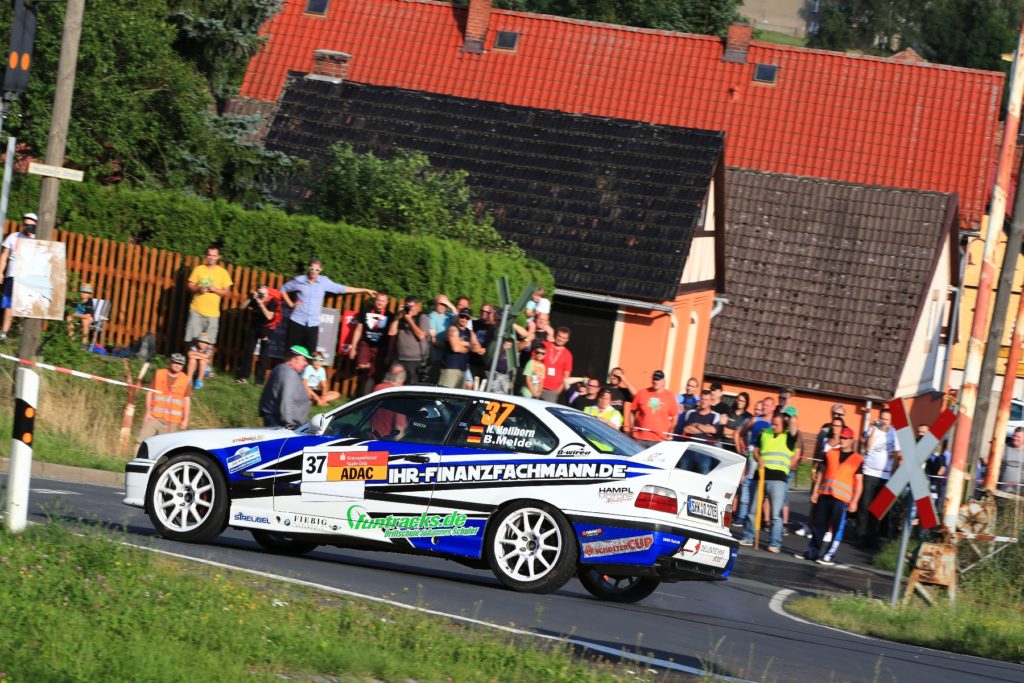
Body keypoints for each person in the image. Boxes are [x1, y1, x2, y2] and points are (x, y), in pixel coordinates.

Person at [796, 426, 863, 566]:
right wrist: (816, 491)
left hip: (842, 499)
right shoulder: (831, 453)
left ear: (851, 440)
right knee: (819, 525)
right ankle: (812, 552)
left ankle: (829, 555)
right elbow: (821, 472)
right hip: (826, 494)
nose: (843, 440)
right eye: (842, 437)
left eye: (846, 438)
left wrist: (854, 502)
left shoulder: (858, 459)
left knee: (837, 529)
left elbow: (859, 482)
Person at [281, 258, 375, 353]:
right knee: (291, 353)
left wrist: (364, 290)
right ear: (309, 268)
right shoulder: (300, 280)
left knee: (310, 355)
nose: (314, 272)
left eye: (317, 270)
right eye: (312, 269)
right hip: (297, 321)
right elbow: (283, 289)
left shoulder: (324, 282)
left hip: (313, 323)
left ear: (320, 270)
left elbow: (342, 289)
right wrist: (291, 304)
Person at [739, 412, 800, 553]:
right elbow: (755, 450)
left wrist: (790, 417)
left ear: (783, 425)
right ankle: (748, 537)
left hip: (778, 479)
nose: (773, 425)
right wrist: (758, 458)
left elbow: (794, 427)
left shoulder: (789, 437)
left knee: (775, 515)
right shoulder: (765, 433)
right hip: (759, 475)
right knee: (752, 510)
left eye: (776, 424)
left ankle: (774, 543)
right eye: (772, 423)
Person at [858, 407, 901, 548]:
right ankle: (861, 535)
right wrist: (875, 430)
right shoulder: (873, 430)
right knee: (865, 505)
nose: (883, 421)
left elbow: (898, 453)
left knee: (878, 508)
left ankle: (872, 536)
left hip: (885, 474)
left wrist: (895, 458)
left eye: (886, 419)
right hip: (870, 472)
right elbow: (867, 447)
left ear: (890, 422)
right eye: (881, 418)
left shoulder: (894, 434)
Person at [185, 247, 233, 363]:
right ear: (206, 256)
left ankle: (205, 367)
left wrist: (215, 289)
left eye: (214, 255)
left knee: (209, 342)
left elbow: (227, 292)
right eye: (209, 255)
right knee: (192, 340)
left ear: (218, 257)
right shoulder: (199, 269)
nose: (211, 257)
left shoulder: (223, 273)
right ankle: (190, 365)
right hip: (196, 310)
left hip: (212, 313)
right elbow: (190, 285)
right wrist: (198, 288)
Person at [136, 353, 191, 445]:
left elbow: (187, 401)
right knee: (141, 441)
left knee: (164, 447)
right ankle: (137, 458)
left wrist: (185, 419)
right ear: (170, 362)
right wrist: (148, 412)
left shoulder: (185, 380)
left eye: (180, 364)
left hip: (172, 421)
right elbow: (150, 392)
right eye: (175, 362)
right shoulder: (159, 373)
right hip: (154, 416)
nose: (177, 365)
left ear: (183, 366)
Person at [0, 212, 37, 340]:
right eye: (26, 224)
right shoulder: (13, 237)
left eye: (31, 225)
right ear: (22, 224)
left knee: (24, 305)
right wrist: (0, 272)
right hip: (12, 276)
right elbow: (4, 255)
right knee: (8, 306)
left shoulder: (37, 240)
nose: (28, 227)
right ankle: (4, 333)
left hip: (27, 278)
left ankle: (22, 332)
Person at [259, 345, 314, 428]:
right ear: (295, 359)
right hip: (281, 422)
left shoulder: (279, 368)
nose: (306, 363)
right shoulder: (289, 374)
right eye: (304, 360)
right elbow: (287, 399)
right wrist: (290, 424)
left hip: (272, 417)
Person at [349, 291, 392, 395]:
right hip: (366, 344)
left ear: (386, 302)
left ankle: (365, 395)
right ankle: (371, 366)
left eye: (383, 301)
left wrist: (389, 354)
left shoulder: (389, 315)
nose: (380, 303)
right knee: (361, 365)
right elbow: (359, 329)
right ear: (375, 300)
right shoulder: (366, 310)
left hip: (380, 347)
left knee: (374, 374)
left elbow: (392, 336)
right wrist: (353, 347)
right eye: (378, 300)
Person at [235, 283, 279, 385]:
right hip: (254, 327)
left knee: (264, 354)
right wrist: (250, 298)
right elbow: (241, 307)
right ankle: (244, 376)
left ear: (267, 294)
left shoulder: (271, 301)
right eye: (260, 293)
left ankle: (259, 380)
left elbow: (269, 316)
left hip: (267, 328)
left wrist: (261, 304)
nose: (261, 296)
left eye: (263, 294)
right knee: (248, 351)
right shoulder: (254, 299)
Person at [388, 295, 430, 386]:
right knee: (392, 385)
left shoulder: (422, 317)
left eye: (411, 306)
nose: (409, 309)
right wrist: (397, 317)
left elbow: (421, 336)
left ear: (417, 306)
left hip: (414, 361)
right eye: (407, 306)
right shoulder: (400, 318)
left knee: (411, 388)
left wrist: (410, 320)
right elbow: (391, 332)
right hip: (399, 359)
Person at [627, 370, 679, 442]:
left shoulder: (670, 396)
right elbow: (632, 411)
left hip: (659, 439)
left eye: (658, 379)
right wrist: (632, 428)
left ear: (663, 381)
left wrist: (671, 433)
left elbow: (675, 416)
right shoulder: (642, 393)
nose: (655, 381)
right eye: (654, 379)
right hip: (640, 437)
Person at [439, 307, 483, 388]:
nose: (464, 319)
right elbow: (455, 348)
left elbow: (478, 348)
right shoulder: (453, 329)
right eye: (462, 316)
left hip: (463, 371)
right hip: (450, 369)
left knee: (458, 399)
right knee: (445, 396)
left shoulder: (470, 332)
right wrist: (469, 345)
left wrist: (462, 343)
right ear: (459, 316)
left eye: (467, 318)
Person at [541, 326, 573, 402]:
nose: (561, 339)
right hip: (536, 385)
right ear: (555, 335)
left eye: (564, 338)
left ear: (567, 340)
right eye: (559, 336)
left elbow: (566, 376)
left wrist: (557, 392)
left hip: (552, 391)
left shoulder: (568, 355)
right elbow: (533, 363)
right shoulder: (544, 345)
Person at [999, 426, 1024, 496]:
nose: (1015, 438)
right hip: (1002, 490)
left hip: (1020, 493)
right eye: (1014, 436)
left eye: (1019, 437)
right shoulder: (1005, 447)